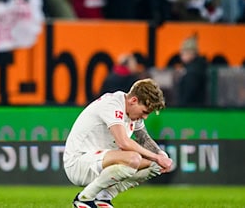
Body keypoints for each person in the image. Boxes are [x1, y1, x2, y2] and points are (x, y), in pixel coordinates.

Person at [64, 78, 173, 208]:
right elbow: (123, 143)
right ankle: (84, 199)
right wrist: (155, 157)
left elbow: (144, 138)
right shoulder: (112, 104)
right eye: (144, 112)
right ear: (133, 101)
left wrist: (161, 154)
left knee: (156, 165)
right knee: (133, 158)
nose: (145, 117)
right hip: (78, 163)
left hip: (100, 161)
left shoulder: (132, 111)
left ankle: (103, 198)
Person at [176, 35, 208, 107]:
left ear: (190, 53)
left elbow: (187, 95)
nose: (181, 56)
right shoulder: (198, 67)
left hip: (192, 110)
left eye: (183, 53)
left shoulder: (193, 72)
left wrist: (180, 106)